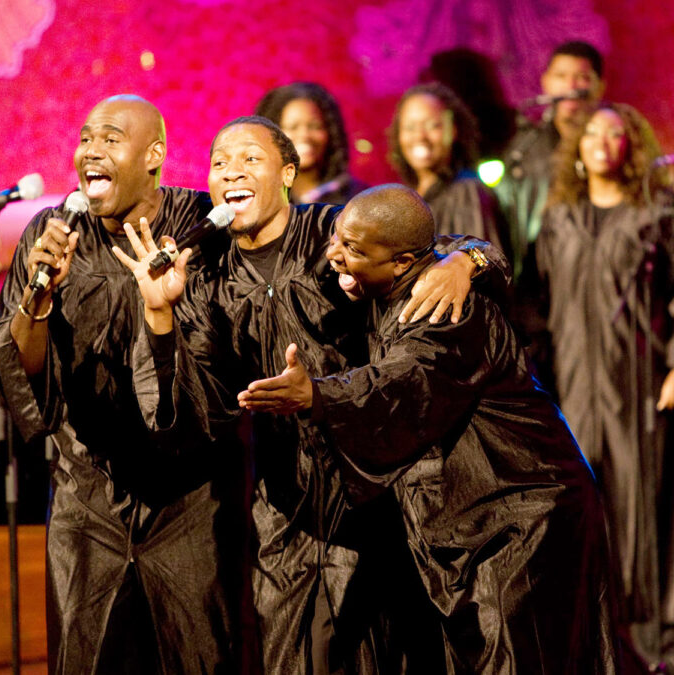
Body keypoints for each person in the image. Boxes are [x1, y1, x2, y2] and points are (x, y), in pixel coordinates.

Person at [113, 115, 502, 674]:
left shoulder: (334, 232)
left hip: (381, 493)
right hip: (287, 510)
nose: (230, 172)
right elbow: (185, 413)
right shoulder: (207, 274)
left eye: (249, 158)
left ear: (289, 173)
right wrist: (158, 310)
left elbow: (440, 247)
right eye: (219, 162)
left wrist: (467, 261)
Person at [233, 184, 618, 673]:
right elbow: (460, 243)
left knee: (517, 659)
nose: (334, 254)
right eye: (336, 238)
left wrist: (317, 396)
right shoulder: (402, 267)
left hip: (521, 515)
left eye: (353, 250)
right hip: (473, 516)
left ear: (401, 262)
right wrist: (468, 259)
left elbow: (403, 381)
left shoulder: (446, 309)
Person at [0, 94, 244, 673]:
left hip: (190, 501)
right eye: (85, 139)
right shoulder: (50, 237)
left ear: (154, 155)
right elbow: (18, 367)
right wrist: (39, 298)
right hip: (87, 502)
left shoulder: (205, 229)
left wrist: (470, 256)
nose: (90, 151)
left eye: (109, 139)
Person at [535, 102, 674, 673]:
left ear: (632, 146)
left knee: (655, 514)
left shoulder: (660, 211)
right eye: (593, 134)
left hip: (646, 391)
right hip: (575, 397)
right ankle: (603, 652)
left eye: (617, 134)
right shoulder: (558, 219)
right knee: (588, 517)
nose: (604, 143)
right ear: (578, 151)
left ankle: (669, 653)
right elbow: (539, 308)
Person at [495, 40, 606, 276]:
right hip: (538, 274)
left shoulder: (609, 145)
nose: (571, 86)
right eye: (561, 76)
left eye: (582, 77)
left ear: (599, 86)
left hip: (598, 268)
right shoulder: (526, 147)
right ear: (545, 82)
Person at [387, 82, 509, 258]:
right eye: (410, 127)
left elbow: (481, 264)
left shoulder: (467, 191)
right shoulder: (409, 197)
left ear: (452, 130)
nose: (420, 136)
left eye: (432, 125)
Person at [255, 82, 368, 205]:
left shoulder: (358, 199)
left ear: (331, 132)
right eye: (292, 127)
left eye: (315, 126)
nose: (304, 135)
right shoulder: (257, 200)